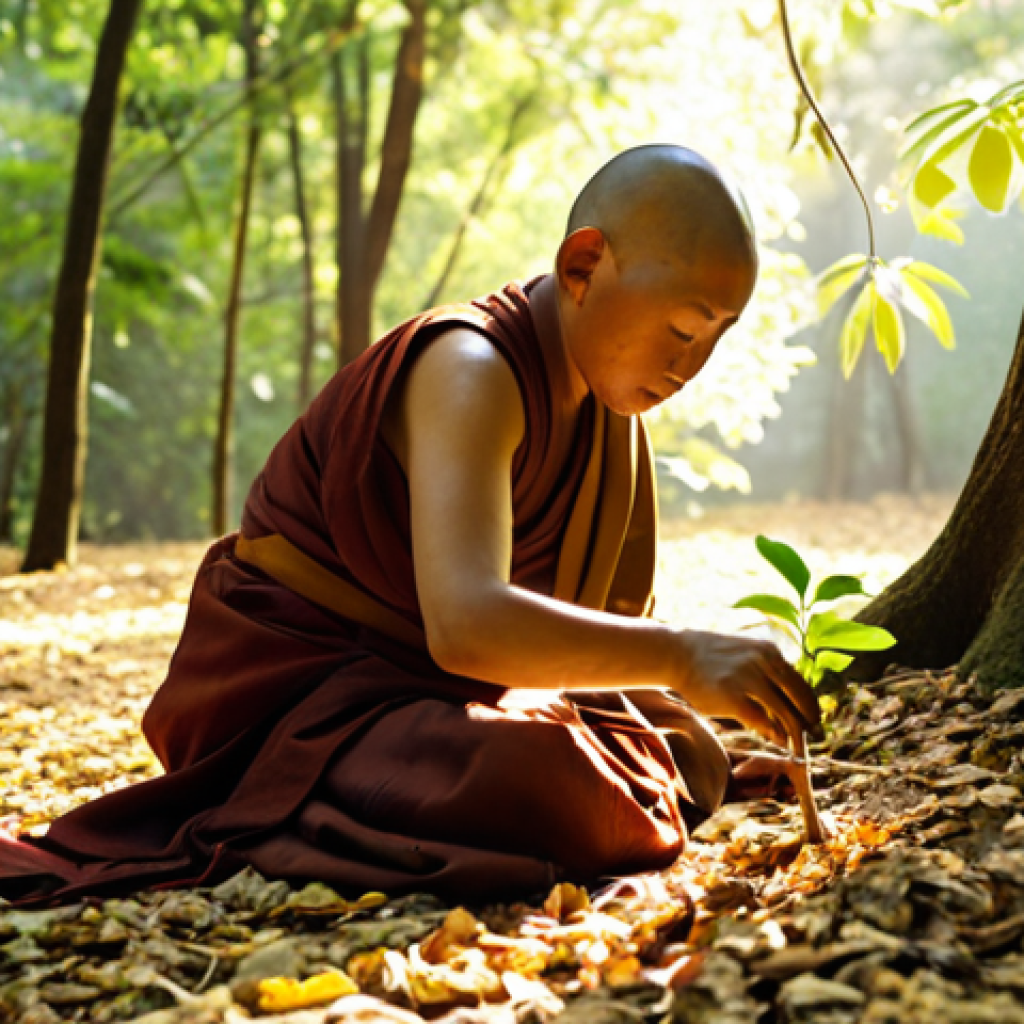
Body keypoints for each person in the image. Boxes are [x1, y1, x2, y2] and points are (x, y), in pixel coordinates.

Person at [0, 144, 820, 906]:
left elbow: (593, 644)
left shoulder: (611, 420)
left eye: (717, 335)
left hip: (443, 703)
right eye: (681, 327)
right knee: (565, 790)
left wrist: (677, 704)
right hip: (309, 701)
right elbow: (467, 628)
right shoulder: (469, 371)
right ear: (583, 265)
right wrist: (682, 656)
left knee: (694, 756)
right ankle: (295, 810)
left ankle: (501, 797)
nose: (692, 364)